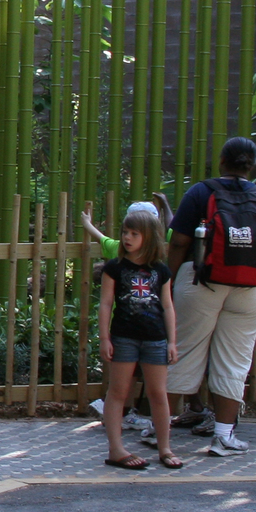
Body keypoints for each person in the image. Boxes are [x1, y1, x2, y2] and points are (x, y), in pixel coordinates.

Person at [166, 136, 256, 455]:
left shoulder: (201, 191)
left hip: (201, 281)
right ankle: (223, 435)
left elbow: (179, 241)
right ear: (253, 165)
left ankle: (158, 428)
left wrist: (167, 280)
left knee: (184, 351)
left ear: (221, 161)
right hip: (250, 288)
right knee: (235, 361)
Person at [85, 201, 183, 470]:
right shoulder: (114, 268)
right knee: (117, 392)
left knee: (158, 393)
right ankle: (116, 449)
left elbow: (167, 305)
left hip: (155, 338)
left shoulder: (160, 270)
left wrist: (172, 341)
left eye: (134, 234)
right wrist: (104, 338)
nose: (127, 238)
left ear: (148, 237)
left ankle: (164, 447)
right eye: (125, 232)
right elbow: (105, 304)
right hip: (124, 337)